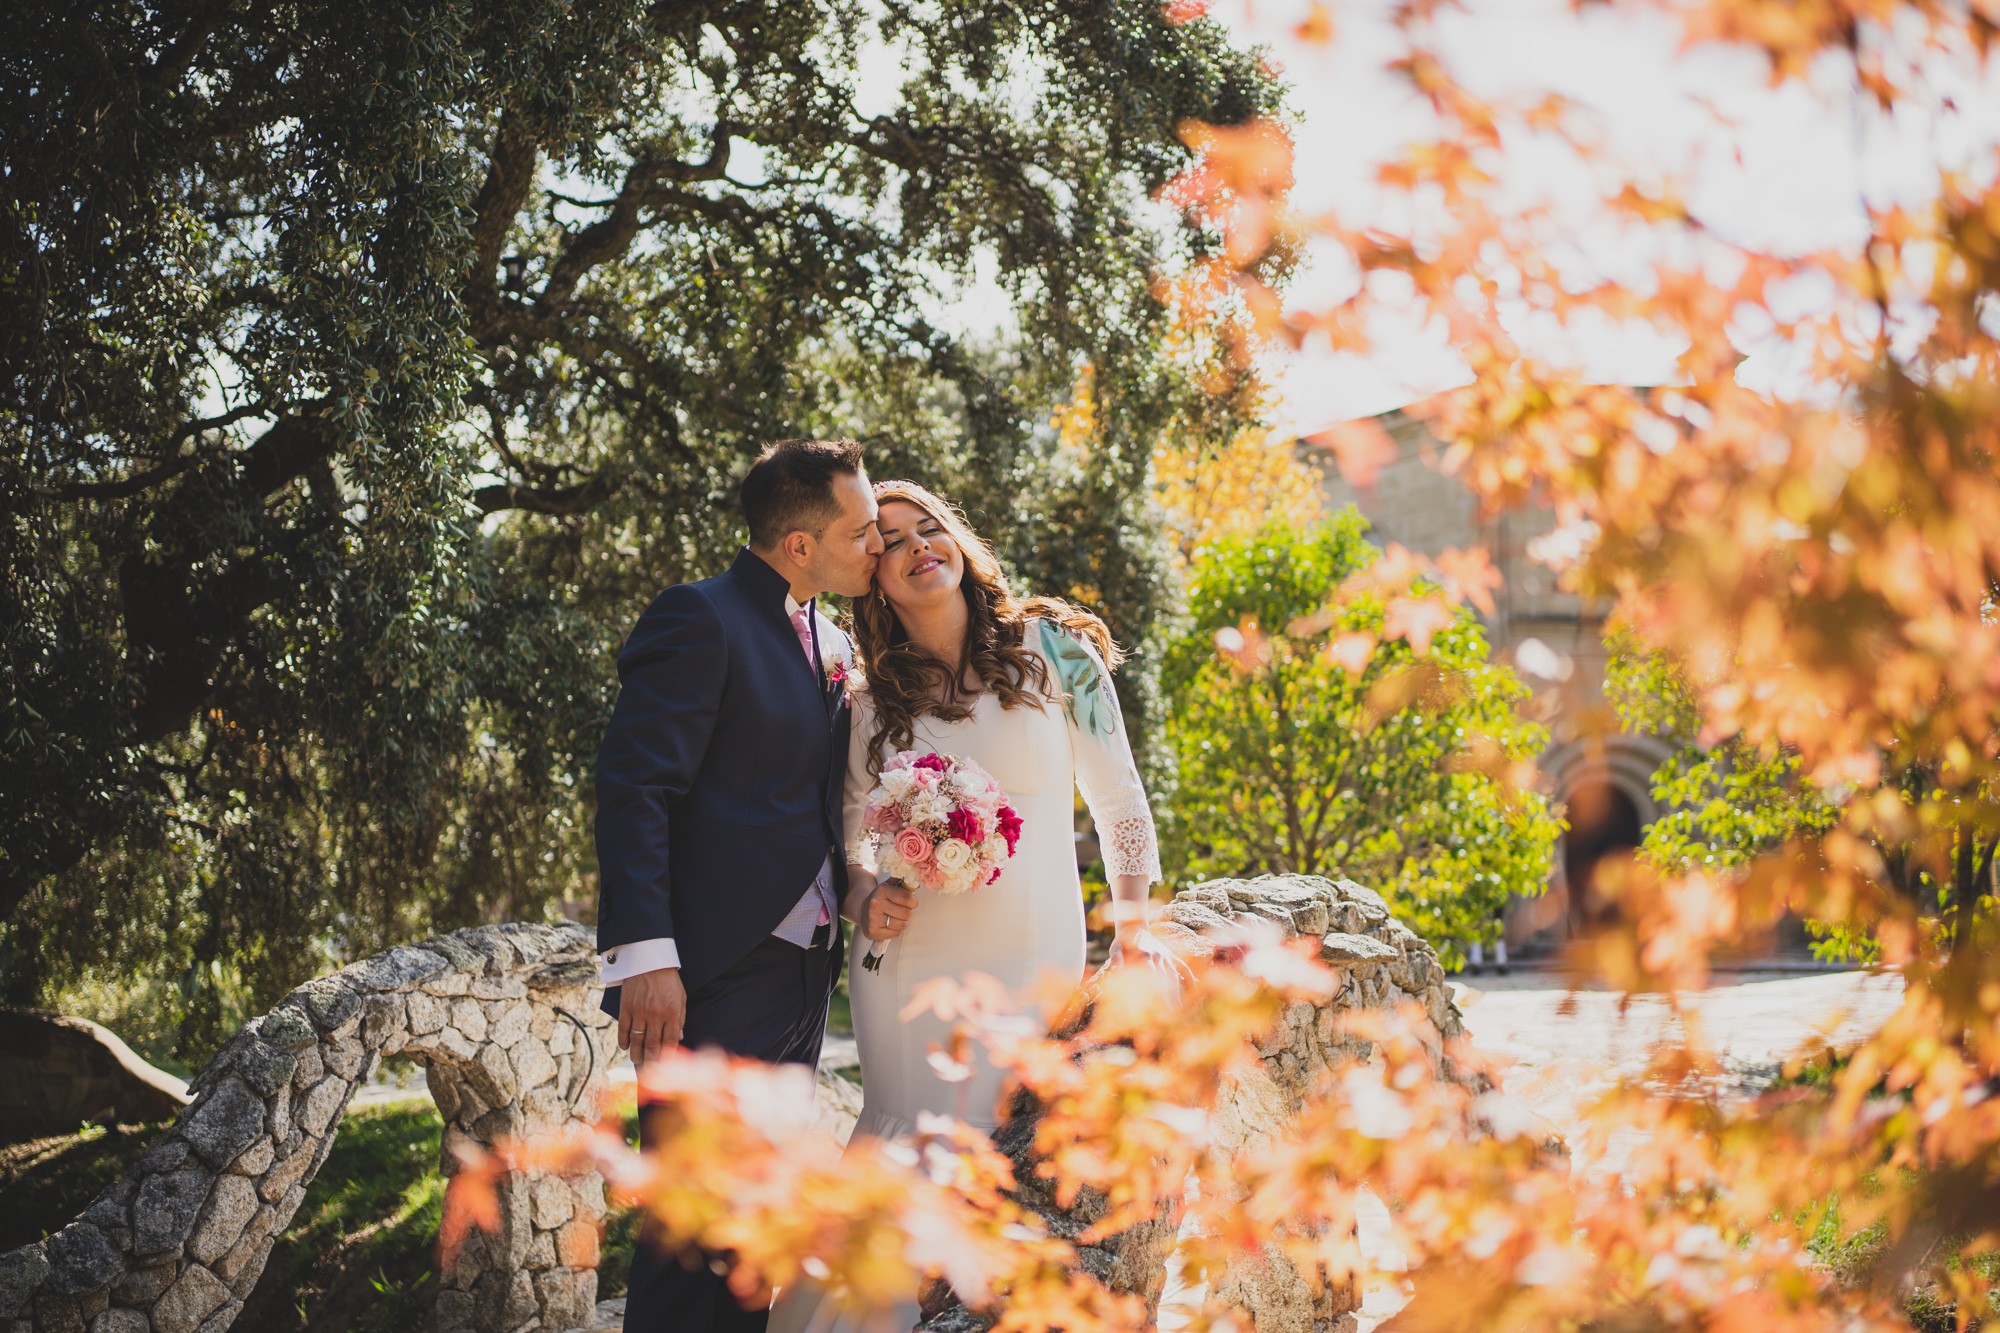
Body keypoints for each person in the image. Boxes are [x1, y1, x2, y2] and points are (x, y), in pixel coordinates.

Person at [770, 480, 1180, 1333]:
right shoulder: (870, 699)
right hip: (909, 962)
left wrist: (1134, 935)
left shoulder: (1055, 651)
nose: (920, 545)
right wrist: (864, 896)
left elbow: (1121, 802)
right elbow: (847, 835)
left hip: (1035, 951)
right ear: (874, 577)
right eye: (893, 540)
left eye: (932, 527)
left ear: (959, 540)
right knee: (908, 1140)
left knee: (1002, 1147)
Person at [594, 437, 883, 1333]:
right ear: (800, 544)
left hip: (803, 973)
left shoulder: (831, 638)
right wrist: (648, 958)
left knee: (754, 1228)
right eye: (862, 530)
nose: (877, 544)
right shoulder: (700, 616)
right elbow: (636, 787)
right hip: (709, 973)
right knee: (693, 1231)